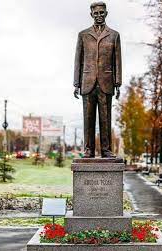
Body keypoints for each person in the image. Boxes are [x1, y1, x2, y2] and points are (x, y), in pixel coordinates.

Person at [73, 2, 122, 158]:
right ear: (91, 14)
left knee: (105, 118)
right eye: (96, 13)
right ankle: (88, 149)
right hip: (87, 81)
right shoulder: (83, 35)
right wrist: (76, 83)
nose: (99, 16)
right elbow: (78, 60)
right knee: (88, 118)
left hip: (106, 82)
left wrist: (118, 82)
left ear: (106, 13)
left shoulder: (114, 35)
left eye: (102, 13)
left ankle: (106, 150)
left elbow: (117, 61)